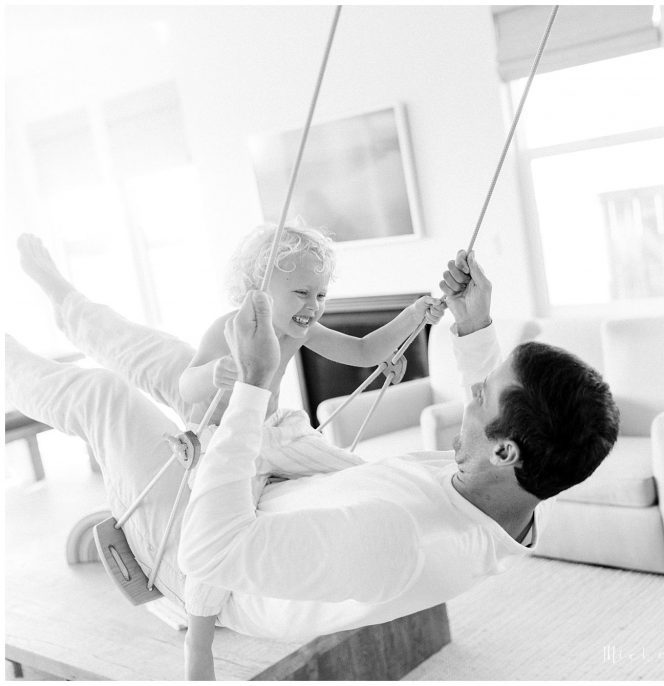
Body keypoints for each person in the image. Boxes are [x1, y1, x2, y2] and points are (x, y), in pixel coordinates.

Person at [7, 238, 620, 680]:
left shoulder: (397, 539)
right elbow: (491, 406)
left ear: (506, 448)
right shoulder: (492, 491)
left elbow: (210, 552)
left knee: (101, 395)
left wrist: (250, 388)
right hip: (263, 461)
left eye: (481, 395)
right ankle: (65, 298)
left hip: (200, 543)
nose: (471, 392)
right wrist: (474, 320)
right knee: (161, 357)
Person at [179, 224, 446, 426]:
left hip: (262, 431)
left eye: (320, 295)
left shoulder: (299, 333)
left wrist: (413, 316)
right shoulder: (229, 329)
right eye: (301, 293)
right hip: (215, 437)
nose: (314, 305)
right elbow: (186, 388)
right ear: (258, 291)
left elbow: (363, 351)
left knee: (324, 461)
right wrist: (213, 372)